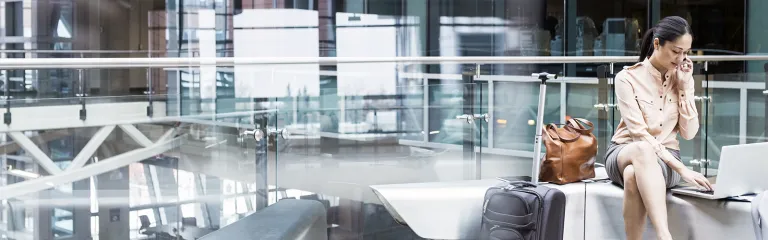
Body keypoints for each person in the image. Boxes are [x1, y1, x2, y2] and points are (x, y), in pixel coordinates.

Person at [604, 16, 713, 240]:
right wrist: (683, 170)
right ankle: (665, 236)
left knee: (633, 175)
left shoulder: (682, 78)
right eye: (676, 51)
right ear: (656, 44)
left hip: (665, 160)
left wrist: (684, 87)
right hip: (625, 151)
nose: (681, 58)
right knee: (642, 150)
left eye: (687, 53)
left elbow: (689, 133)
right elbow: (639, 135)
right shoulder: (627, 78)